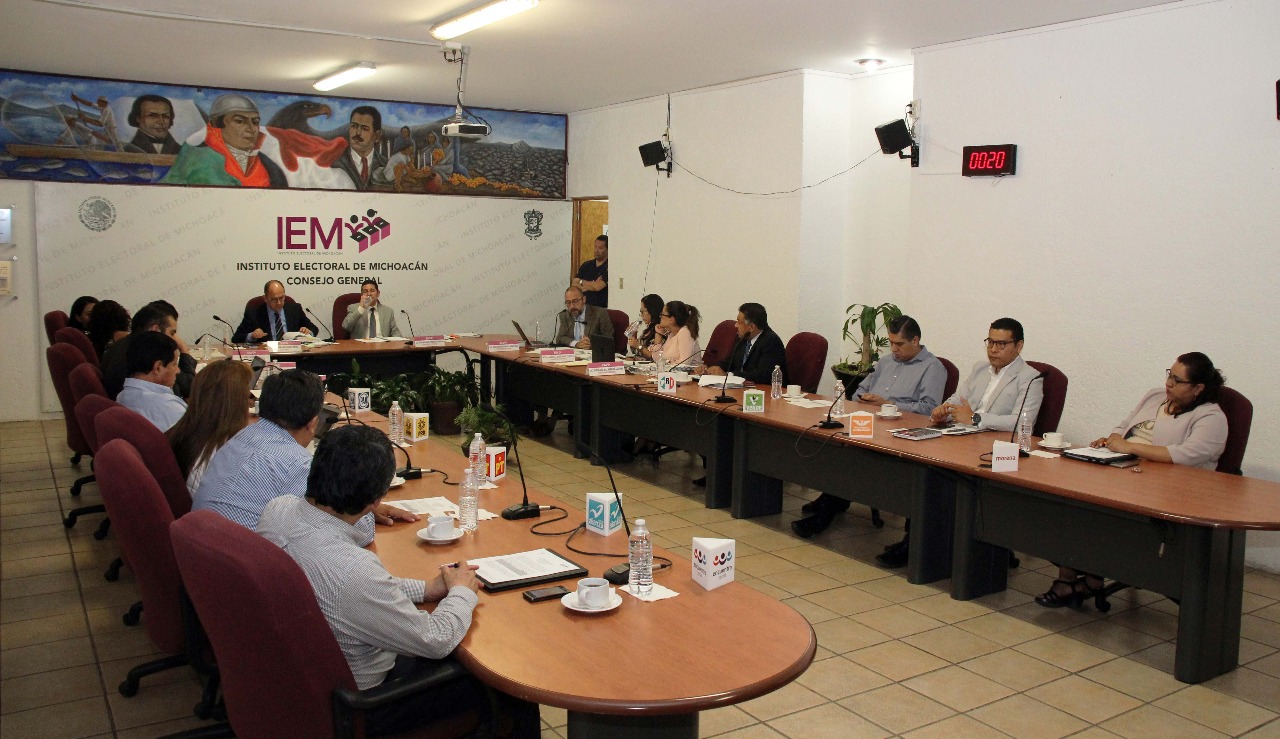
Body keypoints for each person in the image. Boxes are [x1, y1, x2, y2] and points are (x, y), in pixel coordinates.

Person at [256, 425, 539, 737]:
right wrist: (461, 592)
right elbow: (435, 639)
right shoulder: (353, 569)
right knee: (511, 687)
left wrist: (426, 590)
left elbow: (351, 592)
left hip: (299, 681)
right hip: (363, 707)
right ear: (376, 500)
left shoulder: (278, 510)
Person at [1035, 352, 1228, 608]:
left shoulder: (1211, 417)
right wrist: (1112, 440)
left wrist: (1129, 447)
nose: (1168, 383)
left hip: (1170, 492)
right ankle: (1074, 577)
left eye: (1177, 380)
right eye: (1169, 375)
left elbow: (1186, 455)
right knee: (1074, 498)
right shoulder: (1154, 397)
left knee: (1097, 513)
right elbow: (1123, 426)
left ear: (1198, 388)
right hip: (1125, 472)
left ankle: (1084, 579)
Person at [194, 368, 416, 532]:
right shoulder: (296, 463)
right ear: (313, 423)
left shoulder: (242, 437)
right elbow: (346, 530)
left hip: (206, 559)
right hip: (248, 568)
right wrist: (364, 509)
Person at [793, 315, 946, 540]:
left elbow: (928, 410)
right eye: (891, 343)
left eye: (899, 344)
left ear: (915, 340)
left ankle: (828, 509)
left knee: (853, 458)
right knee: (834, 444)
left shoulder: (932, 368)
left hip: (900, 435)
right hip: (868, 425)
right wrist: (864, 399)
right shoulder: (885, 362)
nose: (894, 349)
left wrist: (887, 404)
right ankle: (833, 496)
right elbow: (858, 391)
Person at [931, 317, 1043, 433]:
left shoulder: (1030, 378)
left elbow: (1022, 423)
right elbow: (959, 400)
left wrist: (975, 419)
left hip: (993, 439)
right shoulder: (980, 369)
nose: (993, 349)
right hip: (963, 433)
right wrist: (944, 412)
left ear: (1019, 346)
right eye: (990, 342)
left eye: (1001, 344)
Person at [166, 359, 253, 497]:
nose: (250, 403)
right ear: (235, 404)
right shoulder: (218, 457)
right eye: (247, 396)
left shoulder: (187, 432)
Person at [161, 94, 287, 187]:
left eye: (255, 122)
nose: (251, 129)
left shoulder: (270, 167)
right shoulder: (196, 158)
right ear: (216, 123)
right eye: (240, 121)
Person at [102, 301, 196, 400]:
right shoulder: (146, 357)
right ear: (156, 330)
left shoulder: (121, 346)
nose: (174, 339)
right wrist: (184, 349)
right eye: (172, 333)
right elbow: (189, 388)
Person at [117, 331, 187, 432]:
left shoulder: (121, 397)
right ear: (158, 368)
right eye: (174, 364)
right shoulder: (168, 407)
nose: (178, 370)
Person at [703, 302, 786, 385]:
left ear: (751, 327)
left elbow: (763, 376)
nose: (735, 325)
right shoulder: (743, 338)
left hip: (763, 390)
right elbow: (730, 362)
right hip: (741, 388)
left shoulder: (771, 342)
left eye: (739, 322)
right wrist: (711, 369)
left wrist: (729, 375)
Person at [232, 280, 318, 343]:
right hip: (267, 356)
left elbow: (314, 329)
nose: (279, 302)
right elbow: (236, 338)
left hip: (293, 355)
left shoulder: (294, 309)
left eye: (281, 298)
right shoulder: (254, 313)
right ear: (265, 298)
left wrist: (308, 333)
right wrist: (252, 336)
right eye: (274, 299)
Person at [332, 105, 388, 190]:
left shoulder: (386, 165)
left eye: (364, 128)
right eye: (354, 126)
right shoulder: (335, 163)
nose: (357, 133)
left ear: (377, 135)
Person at [654, 300, 701, 367]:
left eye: (662, 314)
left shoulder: (685, 332)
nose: (660, 317)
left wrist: (668, 363)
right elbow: (657, 359)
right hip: (673, 372)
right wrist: (658, 334)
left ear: (671, 319)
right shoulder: (672, 334)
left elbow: (684, 363)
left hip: (690, 372)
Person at [627, 293, 665, 359]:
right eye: (640, 311)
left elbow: (655, 356)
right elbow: (635, 351)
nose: (641, 315)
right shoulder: (648, 329)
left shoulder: (660, 329)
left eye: (643, 311)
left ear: (652, 311)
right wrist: (633, 335)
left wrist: (638, 346)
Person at [575, 235, 608, 308]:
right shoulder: (586, 265)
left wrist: (581, 283)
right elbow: (574, 284)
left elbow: (597, 287)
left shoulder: (608, 267)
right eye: (595, 247)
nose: (596, 250)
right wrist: (593, 284)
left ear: (607, 250)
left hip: (599, 309)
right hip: (582, 308)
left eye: (600, 248)